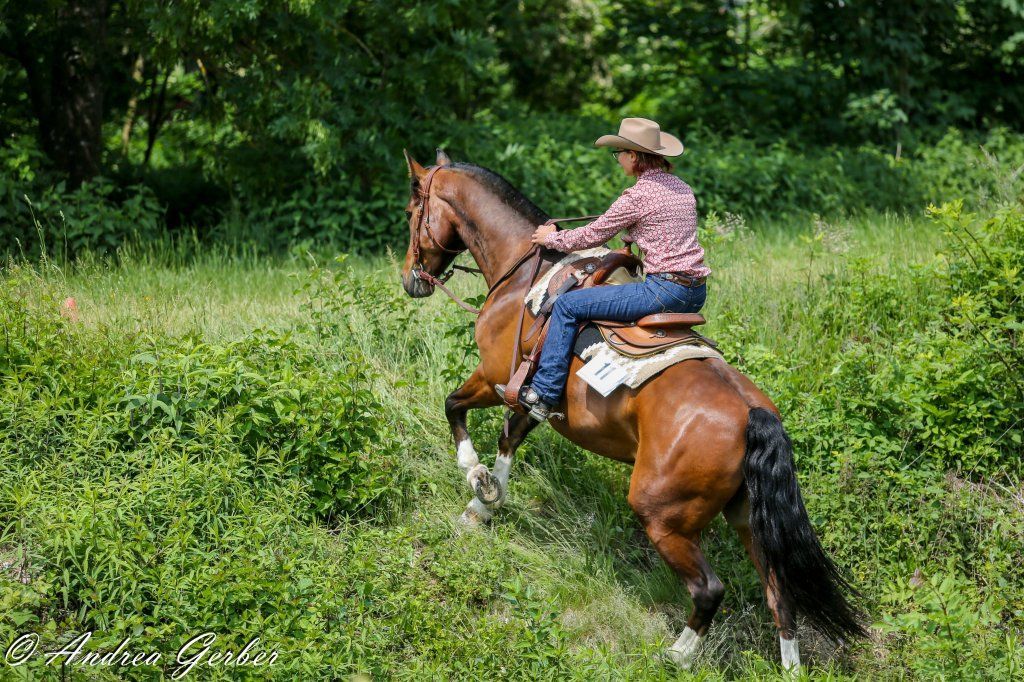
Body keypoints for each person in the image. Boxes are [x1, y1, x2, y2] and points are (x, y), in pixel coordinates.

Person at [498, 117, 711, 422]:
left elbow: (592, 235)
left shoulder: (638, 196)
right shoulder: (682, 188)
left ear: (633, 156)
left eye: (619, 154)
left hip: (663, 291)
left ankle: (543, 393)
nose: (618, 160)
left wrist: (551, 238)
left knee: (568, 305)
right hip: (695, 293)